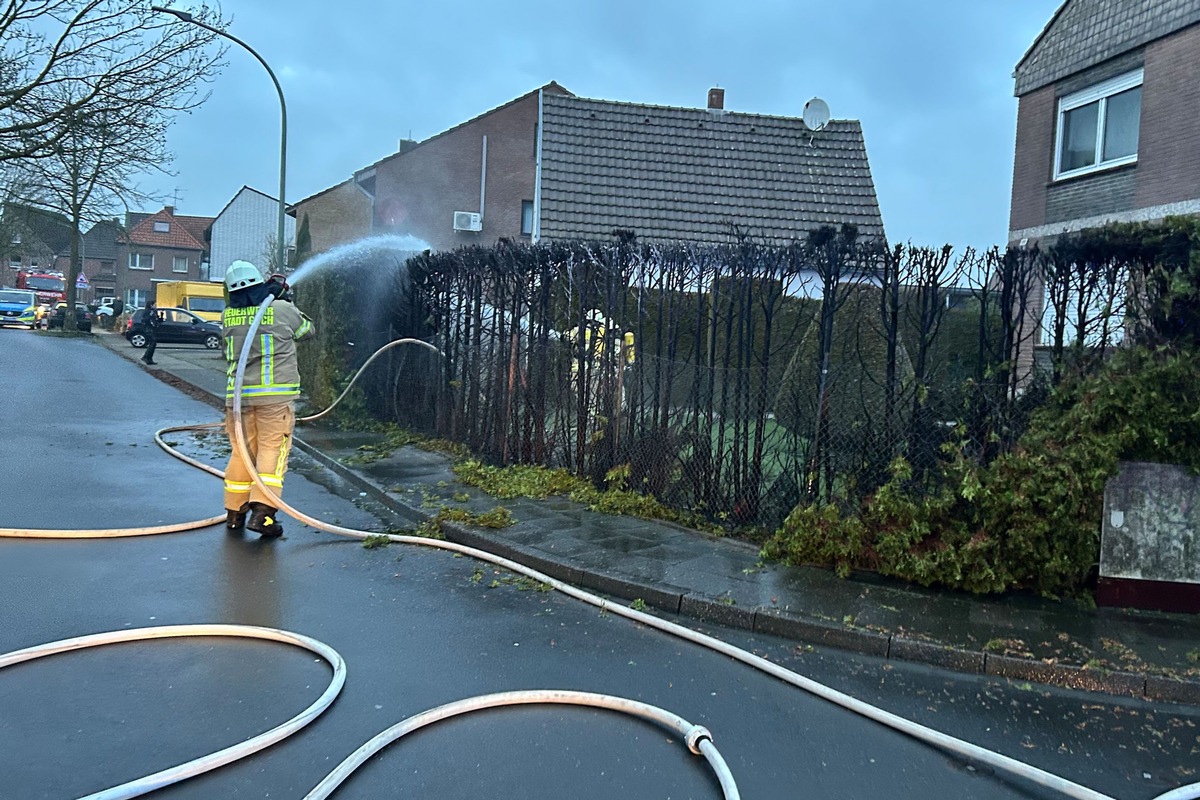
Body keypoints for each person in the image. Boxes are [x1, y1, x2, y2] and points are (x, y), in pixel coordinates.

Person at [221, 260, 315, 537]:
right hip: (274, 399)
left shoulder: (227, 315)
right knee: (272, 453)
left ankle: (234, 513)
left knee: (242, 454)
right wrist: (283, 299)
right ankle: (263, 513)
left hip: (237, 400)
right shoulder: (282, 310)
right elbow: (307, 331)